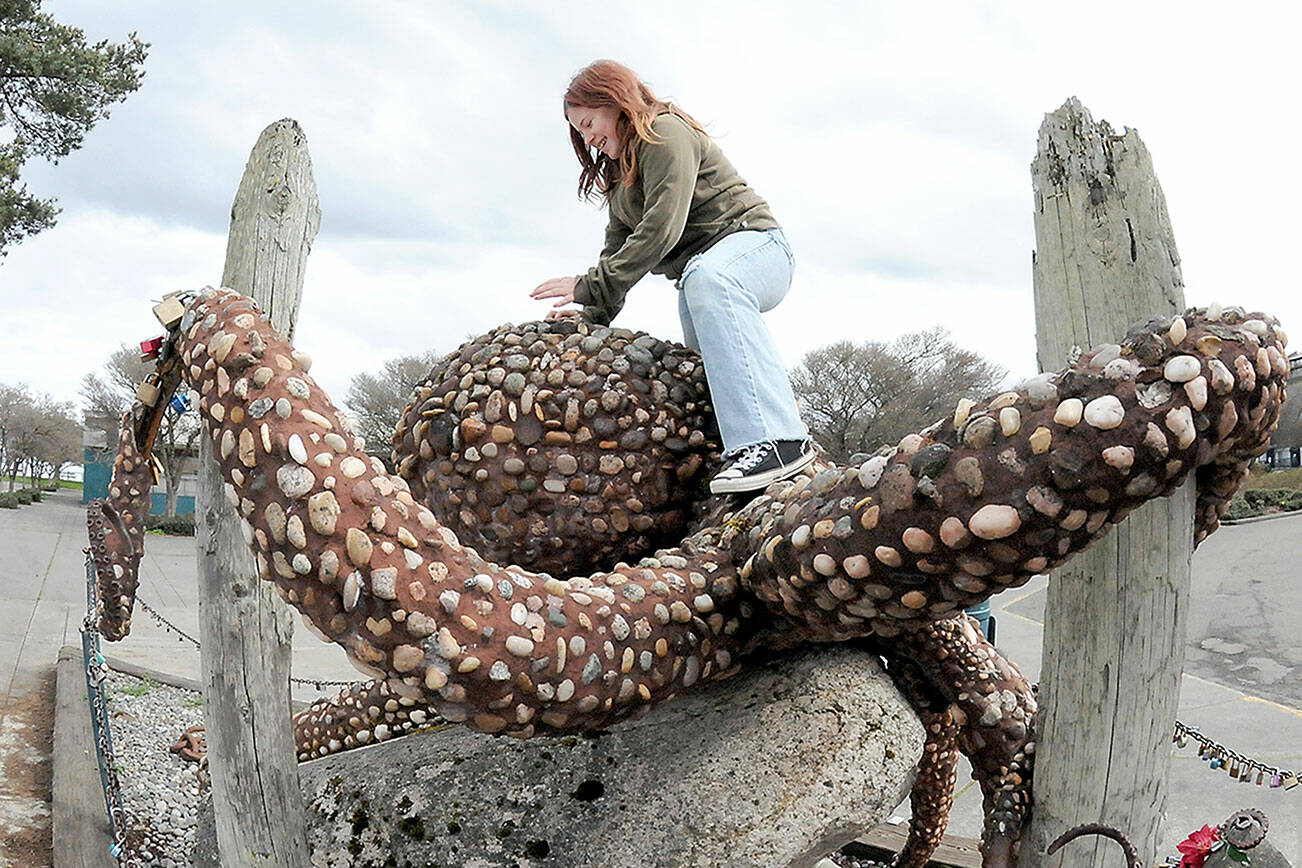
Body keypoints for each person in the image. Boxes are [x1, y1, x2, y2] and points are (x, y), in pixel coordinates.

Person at [530, 59, 814, 495]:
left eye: (589, 123)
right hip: (703, 274)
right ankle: (746, 465)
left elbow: (661, 229)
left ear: (615, 101)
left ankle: (778, 443)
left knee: (706, 280)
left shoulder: (665, 133)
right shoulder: (620, 173)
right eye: (579, 132)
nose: (587, 138)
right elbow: (619, 247)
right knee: (709, 372)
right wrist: (592, 317)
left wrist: (588, 283)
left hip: (756, 248)